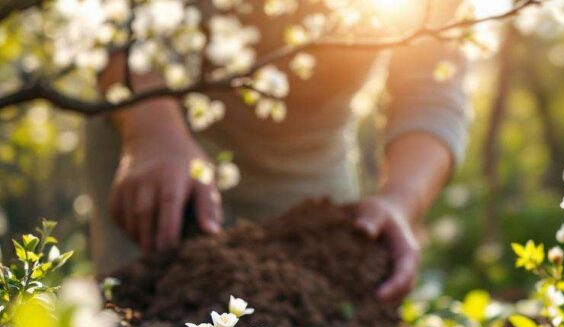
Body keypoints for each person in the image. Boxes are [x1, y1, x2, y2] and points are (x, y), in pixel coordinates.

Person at [84, 2, 469, 303]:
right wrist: (153, 132)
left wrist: (401, 200)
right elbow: (114, 17)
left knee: (317, 324)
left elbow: (433, 87)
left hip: (307, 168)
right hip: (155, 133)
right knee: (140, 323)